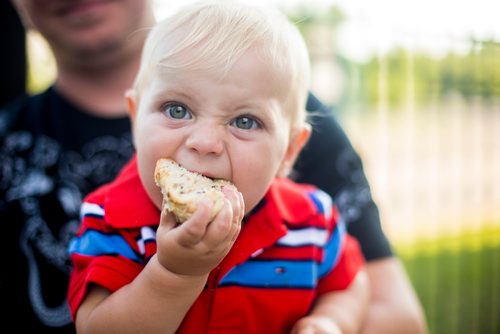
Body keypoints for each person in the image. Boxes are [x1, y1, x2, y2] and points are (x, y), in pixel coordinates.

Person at [1, 0, 426, 333]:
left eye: (245, 121)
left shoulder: (312, 219)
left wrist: (332, 322)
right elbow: (96, 326)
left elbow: (349, 283)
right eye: (176, 109)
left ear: (290, 152)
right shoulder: (111, 220)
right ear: (135, 118)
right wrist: (172, 274)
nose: (203, 143)